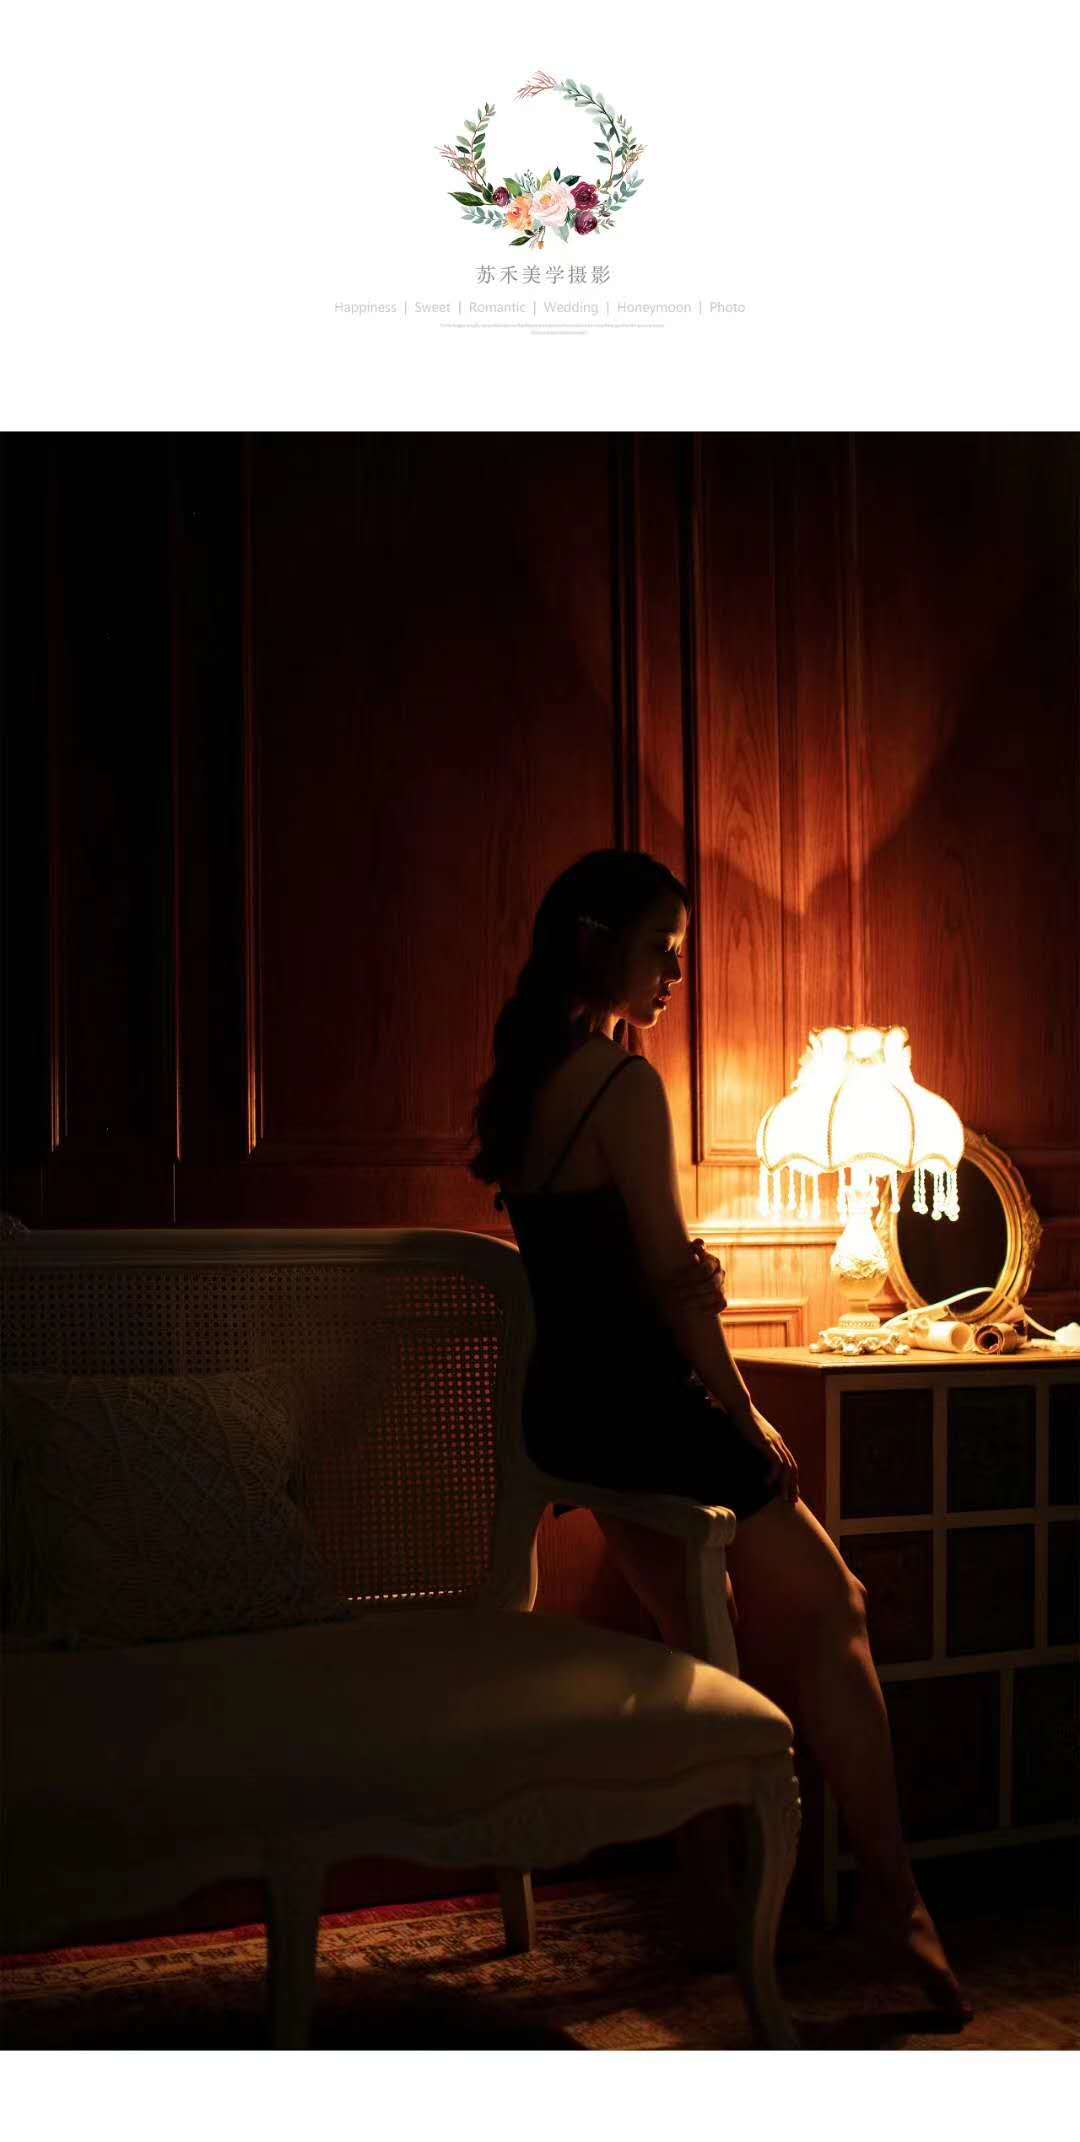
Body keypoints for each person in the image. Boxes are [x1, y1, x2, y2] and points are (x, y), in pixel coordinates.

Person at [469, 847, 972, 2024]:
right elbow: (670, 1285)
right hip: (646, 1410)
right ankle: (895, 1907)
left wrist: (689, 1296)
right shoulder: (618, 1083)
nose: (676, 974)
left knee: (698, 1638)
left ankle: (711, 1899)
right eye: (664, 949)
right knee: (837, 1610)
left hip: (569, 1414)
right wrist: (742, 1412)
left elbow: (614, 1275)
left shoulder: (530, 1083)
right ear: (598, 942)